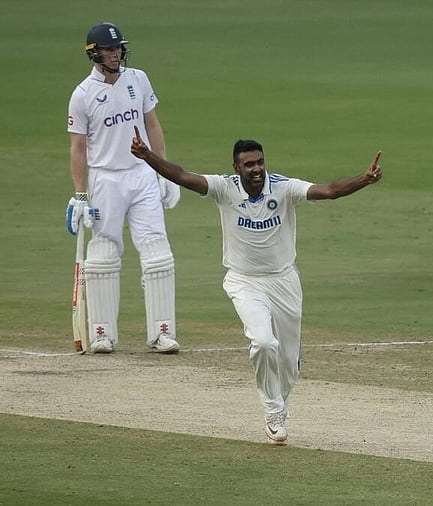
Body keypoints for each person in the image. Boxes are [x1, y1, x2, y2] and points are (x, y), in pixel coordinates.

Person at [130, 127, 383, 445]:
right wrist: (147, 155)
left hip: (284, 280)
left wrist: (364, 179)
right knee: (263, 342)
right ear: (237, 168)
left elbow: (328, 190)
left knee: (288, 365)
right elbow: (181, 175)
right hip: (244, 281)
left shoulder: (283, 188)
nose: (257, 169)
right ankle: (273, 411)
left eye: (260, 162)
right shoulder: (224, 188)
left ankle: (280, 400)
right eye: (249, 164)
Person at [67, 22, 181, 354]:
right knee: (103, 255)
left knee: (158, 252)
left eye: (118, 48)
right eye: (109, 49)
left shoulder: (138, 79)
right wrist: (80, 195)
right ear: (94, 53)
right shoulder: (83, 95)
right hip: (105, 179)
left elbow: (152, 123)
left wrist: (165, 171)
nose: (116, 54)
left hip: (143, 174)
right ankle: (102, 333)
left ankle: (162, 333)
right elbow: (77, 148)